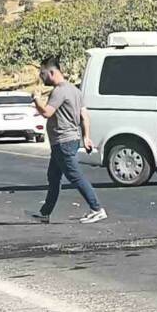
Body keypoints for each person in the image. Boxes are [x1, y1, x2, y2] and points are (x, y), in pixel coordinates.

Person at [30, 56, 107, 224]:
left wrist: (36, 100)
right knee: (54, 176)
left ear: (51, 72)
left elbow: (47, 113)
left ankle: (97, 208)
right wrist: (86, 137)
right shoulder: (75, 90)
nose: (41, 78)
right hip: (68, 140)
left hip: (63, 142)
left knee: (75, 176)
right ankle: (45, 213)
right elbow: (84, 115)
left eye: (42, 74)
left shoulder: (59, 91)